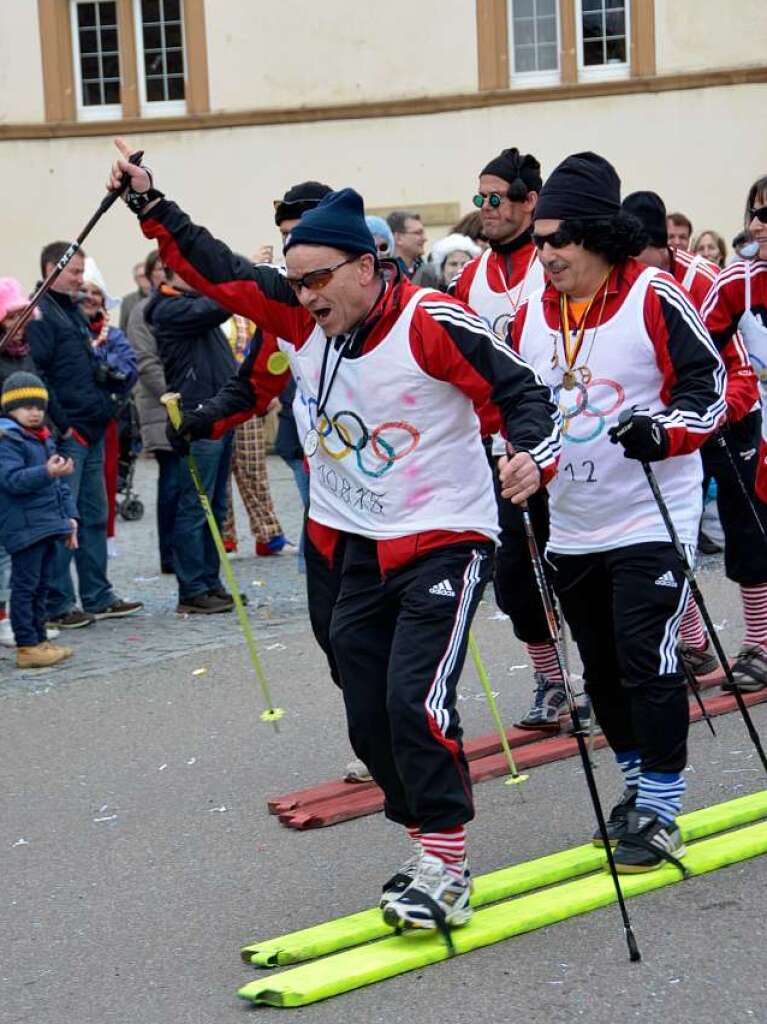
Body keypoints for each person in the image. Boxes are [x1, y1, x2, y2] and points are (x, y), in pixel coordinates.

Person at [109, 139, 560, 933]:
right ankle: (428, 849)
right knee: (366, 714)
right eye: (295, 280)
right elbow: (215, 265)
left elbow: (516, 392)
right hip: (354, 541)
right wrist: (150, 202)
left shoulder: (429, 320)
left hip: (444, 537)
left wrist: (527, 454)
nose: (304, 294)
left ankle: (448, 869)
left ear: (365, 266)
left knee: (411, 701)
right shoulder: (298, 317)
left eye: (317, 277)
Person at [506, 151, 725, 872]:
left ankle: (661, 809)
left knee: (644, 656)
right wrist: (519, 459)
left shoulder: (651, 295)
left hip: (649, 515)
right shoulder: (529, 317)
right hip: (571, 522)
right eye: (537, 241)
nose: (544, 254)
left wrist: (665, 431)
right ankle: (635, 789)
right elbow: (516, 408)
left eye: (557, 239)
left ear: (600, 235)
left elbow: (710, 386)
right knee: (599, 669)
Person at [624, 190, 764, 683]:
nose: (628, 271)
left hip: (728, 414)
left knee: (745, 527)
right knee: (665, 534)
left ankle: (760, 645)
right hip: (670, 423)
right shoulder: (625, 281)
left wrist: (715, 413)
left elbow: (737, 365)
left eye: (636, 258)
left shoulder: (702, 280)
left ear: (661, 246)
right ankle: (693, 644)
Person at [451, 146, 565, 731]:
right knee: (517, 579)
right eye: (480, 198)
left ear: (530, 202)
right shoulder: (471, 277)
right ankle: (552, 681)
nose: (486, 208)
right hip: (504, 449)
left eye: (496, 198)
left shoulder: (557, 263)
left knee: (584, 572)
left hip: (568, 439)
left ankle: (610, 673)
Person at [25, 242, 143, 629]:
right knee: (65, 520)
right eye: (74, 271)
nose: (80, 279)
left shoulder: (72, 311)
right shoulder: (40, 313)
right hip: (69, 432)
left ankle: (97, 594)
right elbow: (38, 375)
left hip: (91, 428)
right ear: (51, 268)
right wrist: (62, 426)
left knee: (94, 515)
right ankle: (59, 601)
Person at [700, 173, 767, 690]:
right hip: (759, 417)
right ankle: (761, 643)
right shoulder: (736, 280)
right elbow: (699, 352)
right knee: (751, 525)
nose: (758, 224)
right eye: (754, 212)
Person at [144, 266, 238, 614]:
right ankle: (192, 589)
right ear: (172, 275)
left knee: (215, 506)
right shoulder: (170, 308)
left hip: (217, 414)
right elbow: (219, 306)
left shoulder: (189, 303)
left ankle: (210, 583)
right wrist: (242, 272)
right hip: (198, 419)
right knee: (195, 506)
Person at [0, 371, 78, 668]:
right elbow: (11, 480)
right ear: (10, 409)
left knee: (42, 585)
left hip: (46, 524)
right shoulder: (7, 439)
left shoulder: (42, 438)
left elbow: (59, 486)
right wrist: (46, 472)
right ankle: (27, 645)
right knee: (25, 587)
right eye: (26, 407)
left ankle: (39, 637)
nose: (34, 412)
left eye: (39, 407)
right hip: (23, 527)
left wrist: (69, 517)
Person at [0, 278, 49, 648]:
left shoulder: (23, 351)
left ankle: (22, 620)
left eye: (24, 312)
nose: (22, 319)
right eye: (14, 313)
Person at [80, 258, 139, 556]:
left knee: (102, 489)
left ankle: (99, 552)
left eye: (95, 292)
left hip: (106, 423)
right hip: (73, 423)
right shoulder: (71, 331)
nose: (90, 297)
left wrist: (99, 366)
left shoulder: (112, 335)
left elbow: (128, 370)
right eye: (84, 291)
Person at [125, 279, 179, 574]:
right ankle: (169, 553)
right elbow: (146, 363)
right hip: (162, 409)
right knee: (171, 482)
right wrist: (174, 398)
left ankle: (188, 551)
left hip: (184, 407)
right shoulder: (142, 311)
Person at [386, 209, 427, 281]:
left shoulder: (428, 272)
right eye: (418, 233)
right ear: (398, 238)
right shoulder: (385, 275)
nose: (425, 238)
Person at [118, 258, 150, 332]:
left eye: (147, 274)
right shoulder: (127, 301)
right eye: (142, 276)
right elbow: (123, 328)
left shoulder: (161, 298)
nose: (146, 278)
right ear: (136, 280)